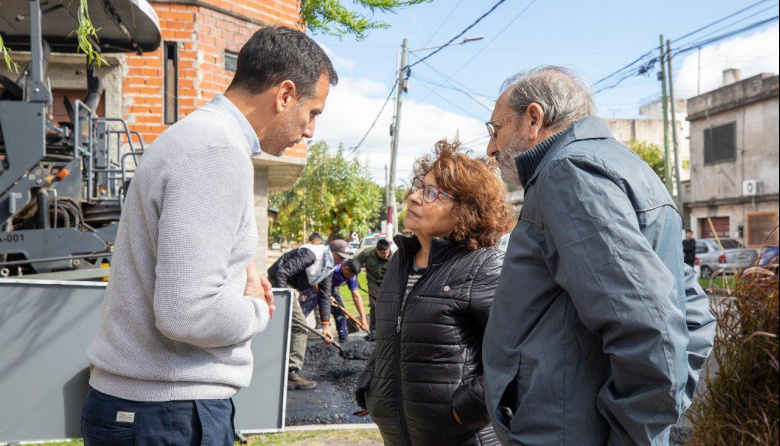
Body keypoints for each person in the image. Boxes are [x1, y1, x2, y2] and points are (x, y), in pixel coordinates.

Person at [83, 26, 337, 446]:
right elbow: (187, 313)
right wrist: (257, 308)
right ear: (285, 95)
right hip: (167, 413)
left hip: (150, 409)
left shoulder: (194, 138)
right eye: (314, 112)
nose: (310, 130)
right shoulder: (217, 151)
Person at [482, 66, 716, 446]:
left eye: (495, 130)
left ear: (534, 118)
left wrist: (632, 433)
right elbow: (693, 315)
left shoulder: (567, 172)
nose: (491, 147)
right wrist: (653, 423)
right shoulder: (627, 167)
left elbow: (649, 325)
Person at [355, 141, 510, 446]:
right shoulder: (401, 261)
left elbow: (517, 356)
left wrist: (467, 409)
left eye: (431, 193)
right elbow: (392, 336)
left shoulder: (484, 266)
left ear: (466, 210)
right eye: (418, 187)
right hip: (400, 437)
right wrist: (369, 385)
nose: (413, 197)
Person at [268, 239, 354, 390]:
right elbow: (282, 273)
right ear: (332, 252)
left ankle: (281, 367)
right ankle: (291, 373)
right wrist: (283, 303)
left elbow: (325, 295)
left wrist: (326, 327)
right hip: (279, 282)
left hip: (291, 286)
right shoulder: (311, 255)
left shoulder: (330, 266)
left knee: (292, 326)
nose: (342, 261)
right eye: (341, 257)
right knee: (300, 327)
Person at [301, 258, 367, 342]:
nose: (351, 277)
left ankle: (343, 338)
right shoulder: (333, 267)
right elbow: (313, 280)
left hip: (332, 287)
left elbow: (356, 296)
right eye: (350, 275)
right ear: (346, 269)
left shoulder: (351, 276)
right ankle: (292, 333)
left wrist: (363, 318)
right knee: (301, 312)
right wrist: (325, 295)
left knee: (340, 311)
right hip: (313, 285)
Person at [355, 238, 392, 340]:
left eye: (387, 253)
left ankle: (389, 331)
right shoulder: (367, 253)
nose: (385, 255)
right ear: (376, 250)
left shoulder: (394, 257)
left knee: (389, 307)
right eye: (382, 253)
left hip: (389, 283)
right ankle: (374, 331)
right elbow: (355, 265)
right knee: (375, 306)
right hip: (373, 282)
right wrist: (355, 280)